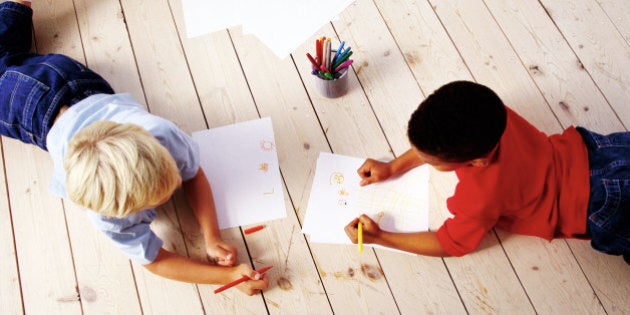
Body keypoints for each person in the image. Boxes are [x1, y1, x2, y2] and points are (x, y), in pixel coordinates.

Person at [0, 0, 269, 293]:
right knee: (7, 62)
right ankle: (14, 8)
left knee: (12, 59)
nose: (176, 185)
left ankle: (14, 12)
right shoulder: (107, 216)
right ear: (119, 214)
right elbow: (154, 261)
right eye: (158, 198)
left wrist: (212, 237)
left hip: (80, 81)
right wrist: (227, 278)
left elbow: (192, 173)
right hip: (32, 109)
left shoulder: (161, 135)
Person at [345, 80, 630, 264]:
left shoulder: (479, 197)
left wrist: (380, 237)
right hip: (602, 151)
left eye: (430, 160)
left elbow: (450, 243)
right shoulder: (490, 113)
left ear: (478, 161)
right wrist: (394, 166)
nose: (421, 158)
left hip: (603, 205)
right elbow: (437, 143)